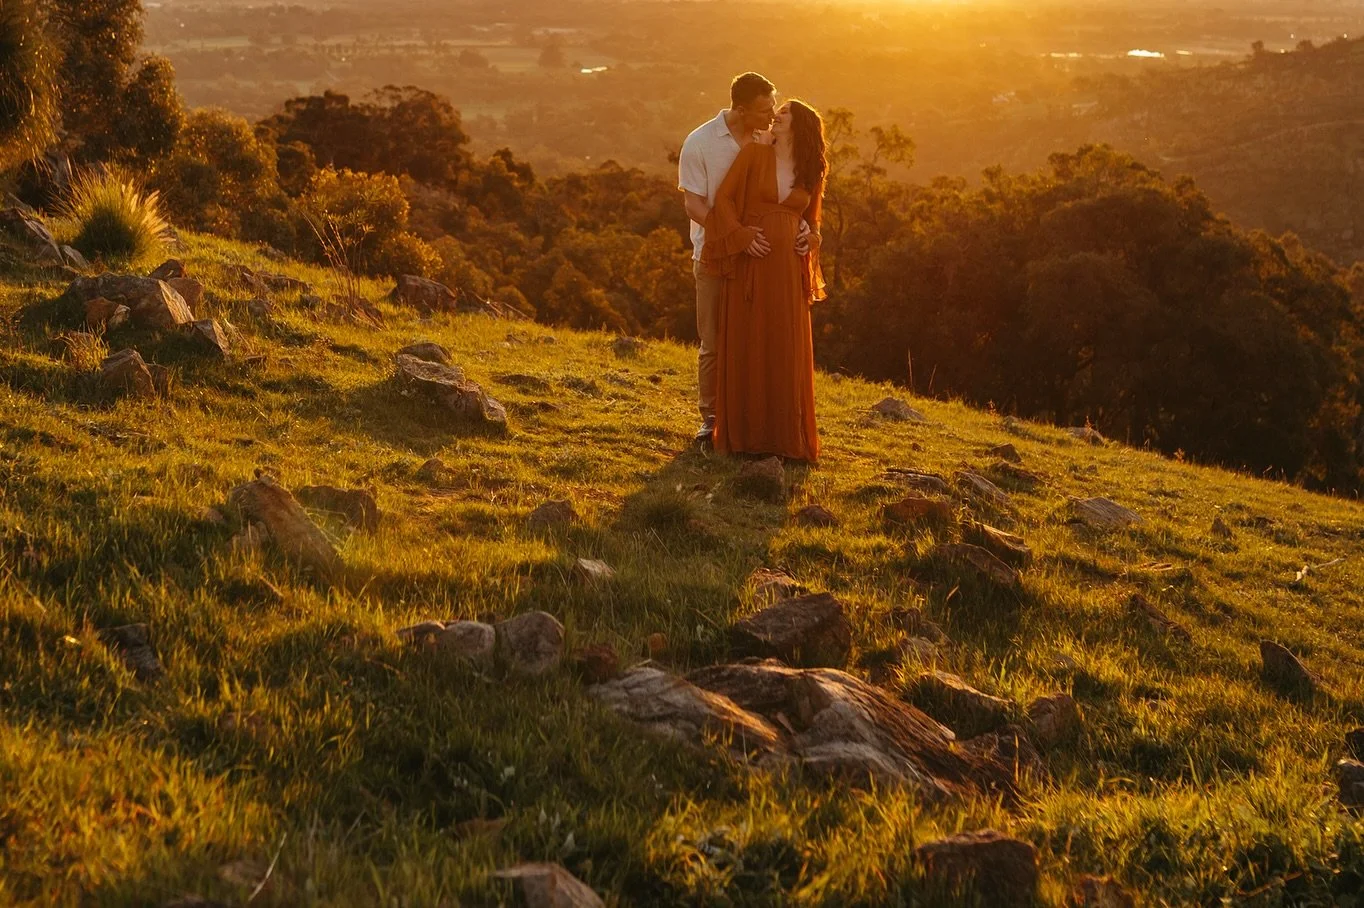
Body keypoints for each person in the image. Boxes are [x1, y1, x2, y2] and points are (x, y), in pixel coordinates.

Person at [702, 100, 827, 462]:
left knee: (784, 346)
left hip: (787, 272)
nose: (776, 115)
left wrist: (811, 238)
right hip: (752, 266)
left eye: (785, 111)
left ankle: (783, 438)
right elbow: (723, 200)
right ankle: (746, 437)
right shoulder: (754, 155)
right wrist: (740, 237)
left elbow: (814, 222)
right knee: (749, 341)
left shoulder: (811, 171)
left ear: (800, 124)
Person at [678, 73, 786, 448]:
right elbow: (693, 205)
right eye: (764, 109)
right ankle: (710, 418)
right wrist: (733, 235)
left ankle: (749, 414)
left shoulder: (768, 138)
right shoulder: (700, 142)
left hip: (758, 255)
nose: (772, 115)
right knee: (713, 342)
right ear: (740, 110)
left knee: (752, 340)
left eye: (773, 106)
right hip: (713, 255)